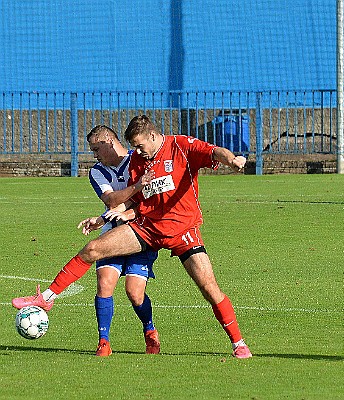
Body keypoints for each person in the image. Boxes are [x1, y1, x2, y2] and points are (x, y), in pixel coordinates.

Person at [12, 115, 252, 359]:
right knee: (92, 249)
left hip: (183, 231)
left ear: (152, 135)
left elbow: (214, 152)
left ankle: (239, 343)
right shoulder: (138, 160)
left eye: (139, 145)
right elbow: (135, 199)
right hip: (147, 228)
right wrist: (104, 218)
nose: (136, 152)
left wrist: (232, 160)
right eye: (134, 147)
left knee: (209, 288)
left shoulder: (182, 145)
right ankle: (47, 298)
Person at [13, 125, 160, 357]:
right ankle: (104, 341)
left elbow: (148, 200)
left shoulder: (138, 158)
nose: (94, 154)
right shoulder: (97, 172)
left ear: (109, 141)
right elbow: (112, 200)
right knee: (104, 283)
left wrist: (123, 207)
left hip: (141, 232)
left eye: (96, 149)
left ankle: (150, 331)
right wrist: (109, 213)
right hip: (113, 232)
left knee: (134, 292)